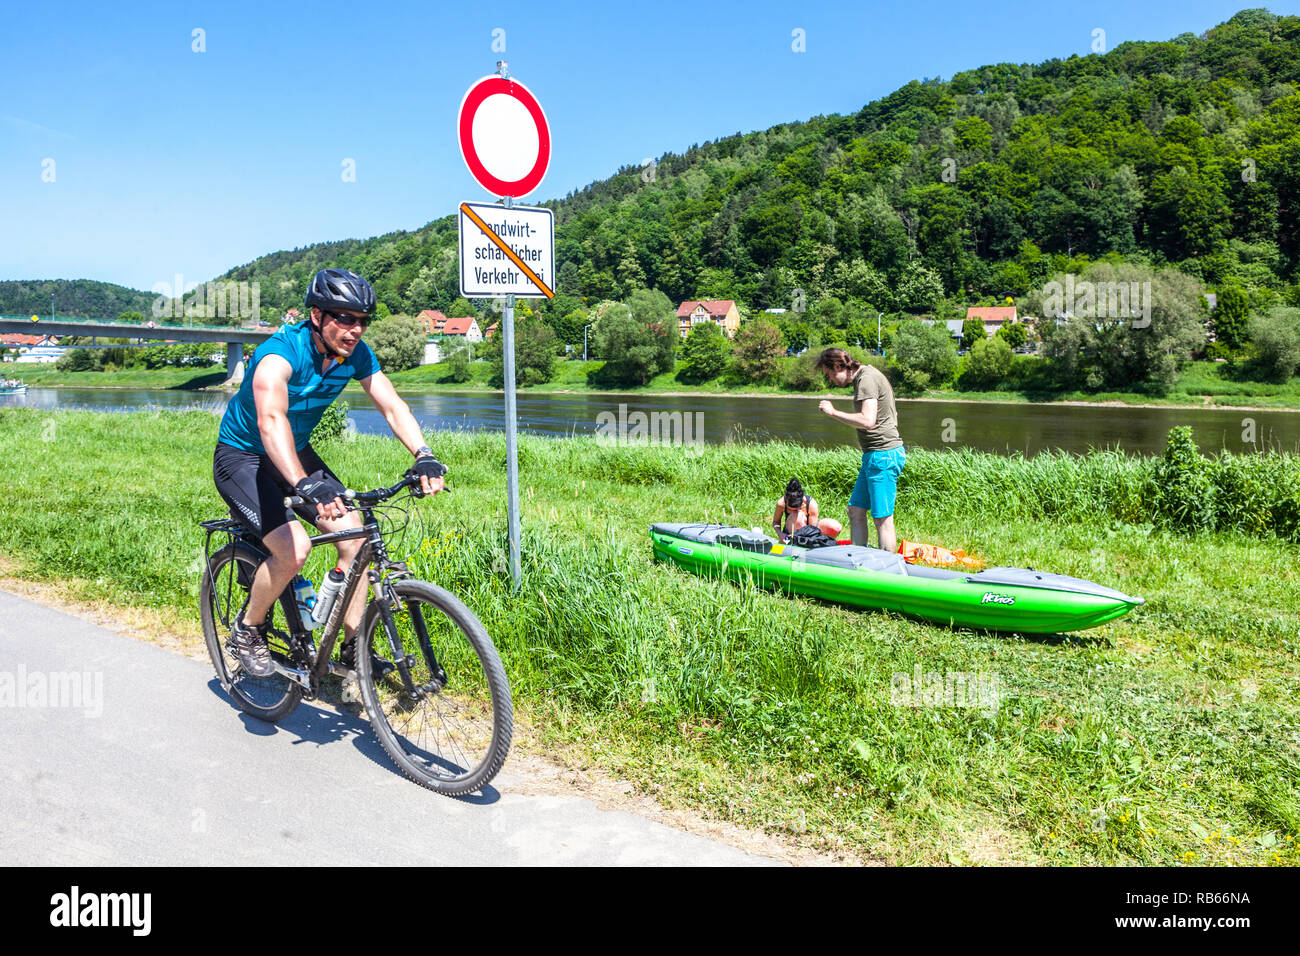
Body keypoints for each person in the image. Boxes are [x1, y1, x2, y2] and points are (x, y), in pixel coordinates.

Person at [212, 268, 447, 678]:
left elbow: (391, 406)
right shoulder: (279, 356)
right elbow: (271, 420)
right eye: (345, 318)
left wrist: (423, 453)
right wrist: (303, 484)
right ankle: (247, 629)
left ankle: (352, 648)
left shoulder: (354, 354)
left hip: (295, 452)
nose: (355, 330)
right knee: (294, 548)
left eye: (362, 321)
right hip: (242, 457)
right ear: (317, 316)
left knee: (355, 538)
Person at [814, 347, 905, 553]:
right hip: (874, 456)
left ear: (838, 365)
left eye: (829, 374)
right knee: (855, 511)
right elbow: (893, 413)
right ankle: (858, 560)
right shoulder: (867, 376)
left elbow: (868, 421)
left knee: (882, 518)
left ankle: (887, 571)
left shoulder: (867, 379)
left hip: (883, 456)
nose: (830, 380)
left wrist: (833, 412)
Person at [771, 478, 842, 543]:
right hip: (791, 530)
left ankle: (826, 544)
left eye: (797, 509)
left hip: (810, 529)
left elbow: (812, 528)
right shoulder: (781, 503)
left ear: (802, 501)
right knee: (798, 516)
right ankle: (794, 541)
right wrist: (780, 534)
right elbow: (776, 522)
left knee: (835, 527)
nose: (793, 511)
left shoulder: (811, 503)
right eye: (790, 510)